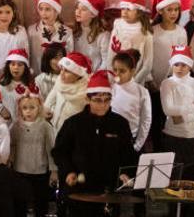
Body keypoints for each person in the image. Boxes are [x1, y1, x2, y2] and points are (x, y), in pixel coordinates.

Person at [51, 70, 135, 213]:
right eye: (97, 100)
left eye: (107, 100)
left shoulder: (120, 124)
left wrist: (126, 172)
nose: (102, 105)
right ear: (88, 99)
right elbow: (60, 152)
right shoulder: (73, 123)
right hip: (80, 189)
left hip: (109, 190)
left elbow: (127, 153)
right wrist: (69, 171)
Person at [9, 89, 55, 217]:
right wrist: (10, 161)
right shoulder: (16, 126)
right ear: (20, 109)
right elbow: (11, 146)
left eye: (32, 108)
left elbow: (51, 149)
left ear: (39, 108)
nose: (28, 111)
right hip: (20, 170)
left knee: (40, 204)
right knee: (20, 204)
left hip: (39, 172)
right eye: (24, 108)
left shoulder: (45, 126)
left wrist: (54, 171)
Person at [108, 0, 153, 84]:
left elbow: (148, 63)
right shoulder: (118, 26)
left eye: (128, 9)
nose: (124, 12)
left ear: (139, 12)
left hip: (136, 79)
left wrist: (134, 82)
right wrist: (112, 75)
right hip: (116, 77)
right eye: (123, 8)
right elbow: (111, 52)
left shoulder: (145, 31)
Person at [27, 0, 73, 75]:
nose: (43, 13)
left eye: (47, 9)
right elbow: (28, 54)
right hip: (37, 75)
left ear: (56, 11)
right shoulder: (32, 30)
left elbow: (69, 56)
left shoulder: (67, 32)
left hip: (59, 77)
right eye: (41, 9)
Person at [72, 0, 108, 72]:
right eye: (77, 8)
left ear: (93, 14)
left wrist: (96, 76)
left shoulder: (103, 35)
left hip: (95, 75)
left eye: (83, 9)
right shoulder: (75, 32)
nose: (78, 11)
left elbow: (106, 61)